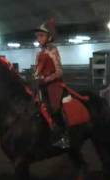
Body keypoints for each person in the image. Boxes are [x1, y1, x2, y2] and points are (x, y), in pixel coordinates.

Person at [34, 18, 69, 149]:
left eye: (41, 35)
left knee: (54, 107)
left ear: (49, 37)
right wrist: (36, 78)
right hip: (41, 85)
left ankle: (64, 136)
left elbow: (59, 71)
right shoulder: (39, 53)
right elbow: (37, 71)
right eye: (38, 36)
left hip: (53, 85)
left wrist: (46, 79)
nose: (39, 38)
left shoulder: (53, 50)